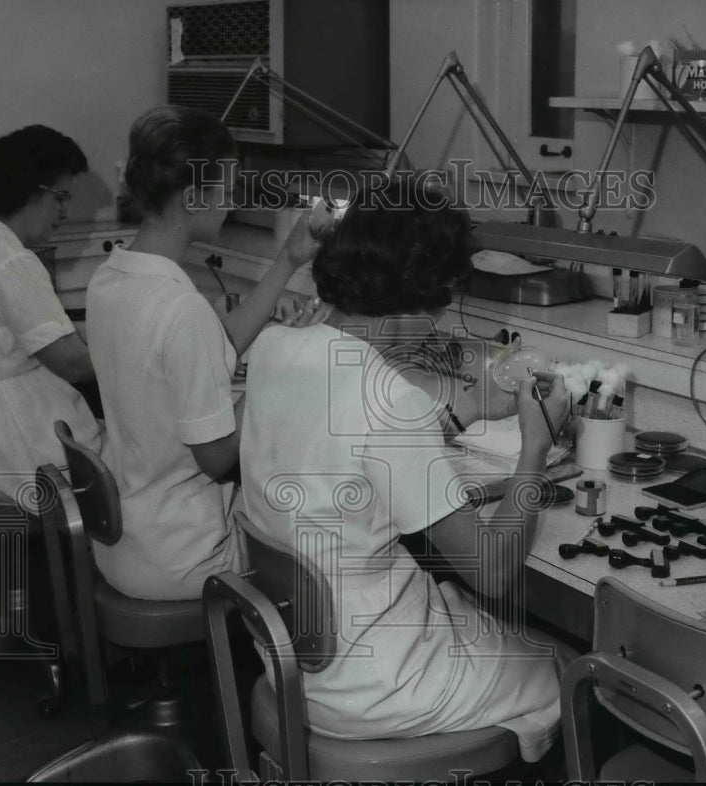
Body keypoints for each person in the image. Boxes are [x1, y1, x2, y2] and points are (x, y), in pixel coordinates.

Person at [237, 179, 573, 765]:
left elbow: (342, 448)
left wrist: (453, 412)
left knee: (472, 617)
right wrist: (535, 450)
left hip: (292, 655)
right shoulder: (386, 397)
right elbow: (492, 571)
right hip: (376, 684)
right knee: (562, 667)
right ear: (425, 296)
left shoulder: (274, 348)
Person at [86, 105, 328, 601]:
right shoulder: (179, 308)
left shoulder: (111, 279)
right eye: (228, 187)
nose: (233, 200)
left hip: (124, 541)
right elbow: (218, 458)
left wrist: (289, 260)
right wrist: (275, 369)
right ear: (195, 196)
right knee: (327, 543)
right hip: (186, 559)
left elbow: (215, 346)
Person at [0, 125, 102, 504]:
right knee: (140, 462)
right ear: (31, 190)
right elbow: (73, 364)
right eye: (60, 197)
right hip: (17, 447)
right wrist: (140, 359)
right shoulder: (11, 261)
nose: (65, 211)